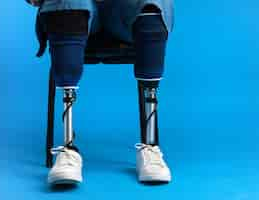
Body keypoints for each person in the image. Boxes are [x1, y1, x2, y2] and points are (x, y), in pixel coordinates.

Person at [27, 0, 174, 185]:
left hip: (125, 13)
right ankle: (67, 149)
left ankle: (150, 147)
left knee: (153, 2)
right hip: (77, 9)